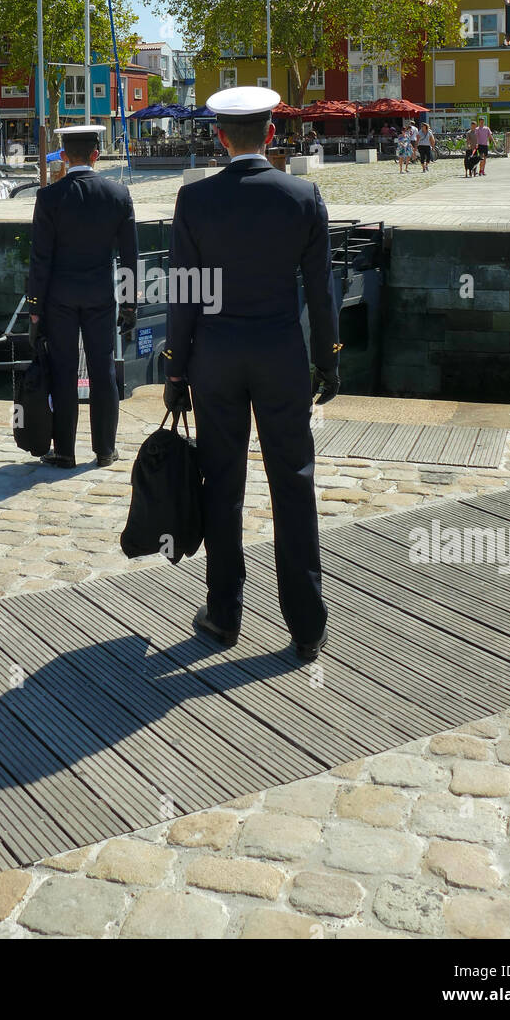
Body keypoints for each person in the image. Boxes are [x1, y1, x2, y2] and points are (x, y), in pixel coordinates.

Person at [164, 86, 341, 663]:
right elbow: (321, 291)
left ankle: (223, 615)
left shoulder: (195, 201)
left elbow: (183, 296)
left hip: (215, 359)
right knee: (294, 484)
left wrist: (175, 370)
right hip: (282, 358)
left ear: (220, 137)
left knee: (223, 485)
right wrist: (329, 360)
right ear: (270, 134)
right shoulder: (302, 196)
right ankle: (307, 625)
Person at [26, 124, 138, 469]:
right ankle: (105, 449)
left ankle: (65, 452)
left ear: (63, 156)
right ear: (96, 155)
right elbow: (129, 255)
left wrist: (34, 308)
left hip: (58, 298)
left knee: (63, 372)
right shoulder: (118, 195)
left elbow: (40, 258)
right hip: (100, 296)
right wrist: (130, 302)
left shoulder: (48, 197)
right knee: (103, 369)